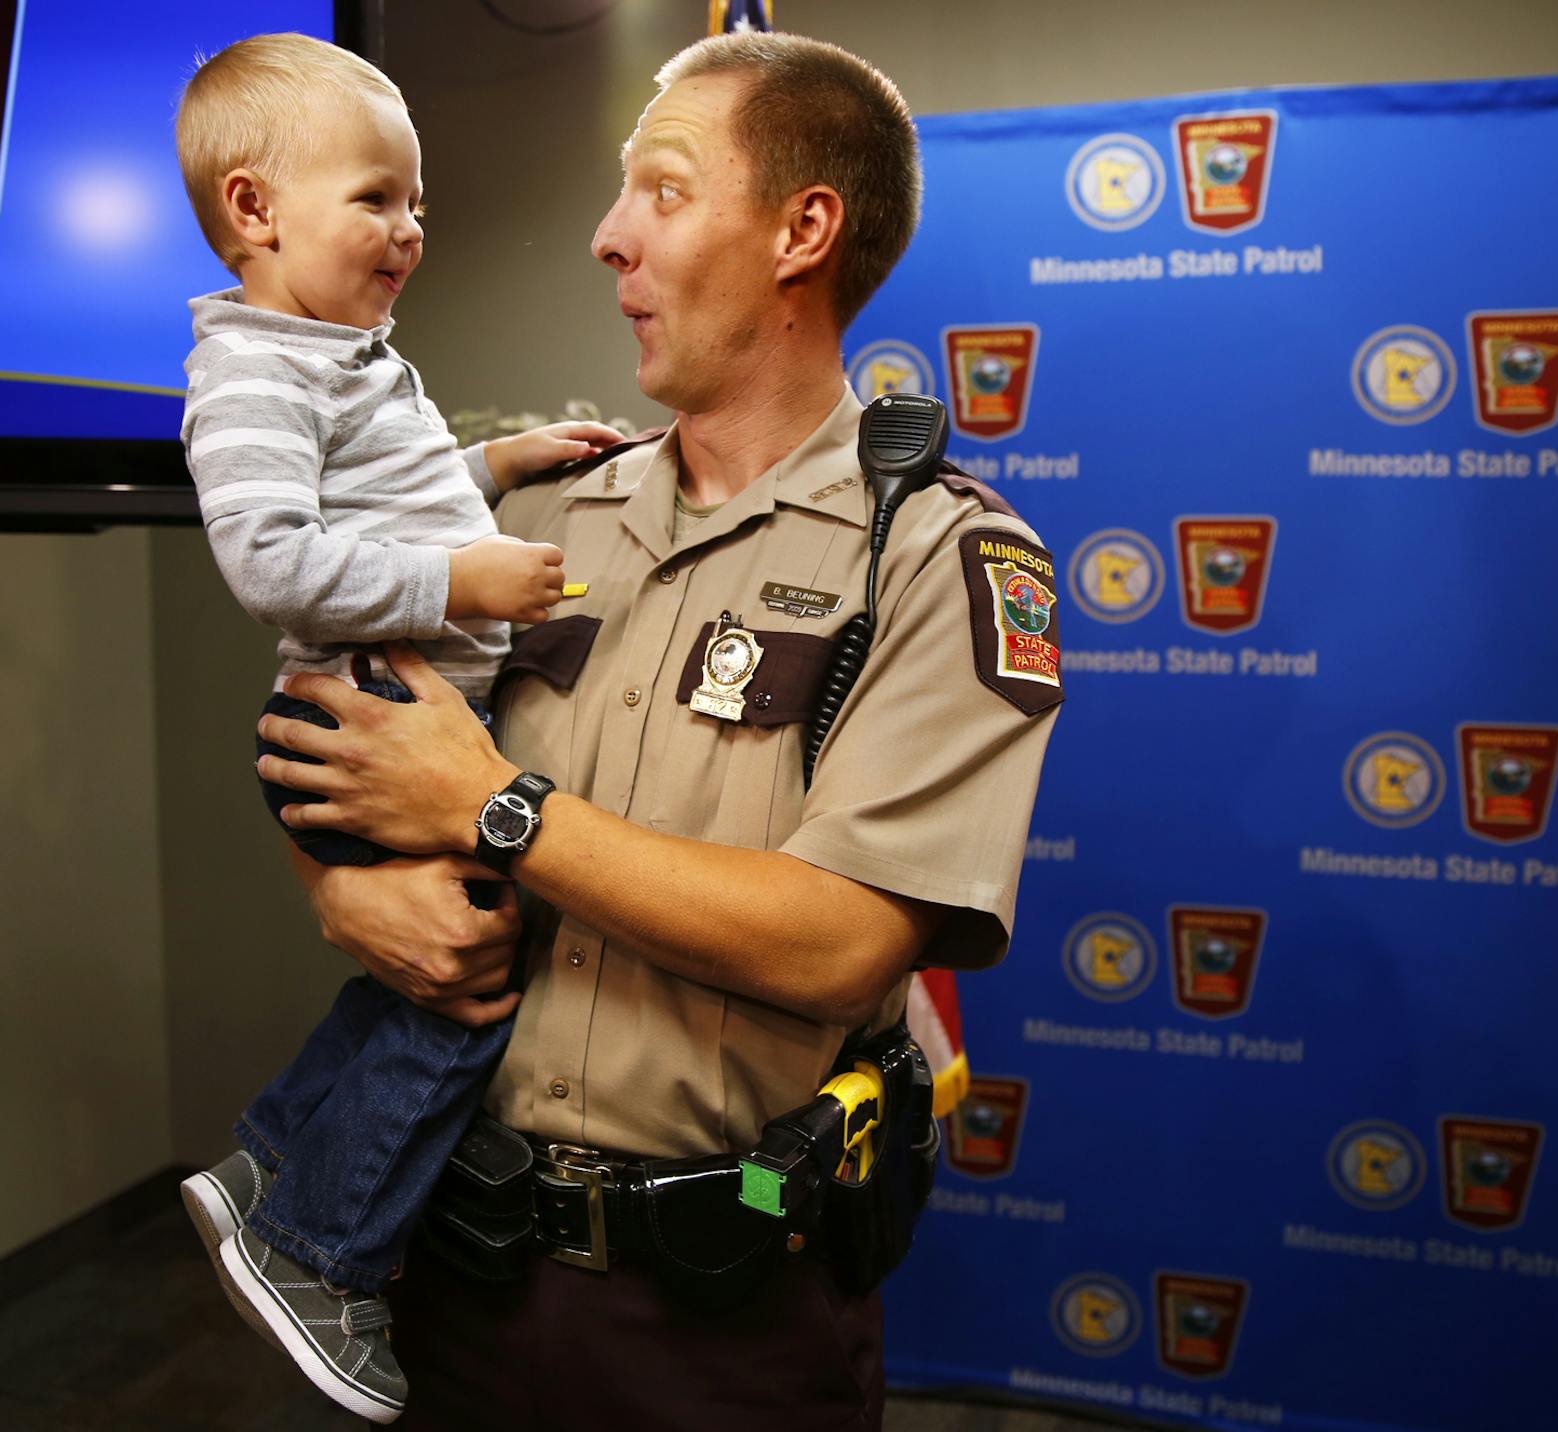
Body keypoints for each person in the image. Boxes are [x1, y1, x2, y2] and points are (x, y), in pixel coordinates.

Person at [258, 30, 1064, 1431]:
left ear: (804, 230)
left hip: (724, 1314)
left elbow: (842, 943)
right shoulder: (536, 513)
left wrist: (498, 808)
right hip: (444, 1272)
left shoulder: (936, 558)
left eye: (664, 192)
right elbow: (330, 744)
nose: (607, 238)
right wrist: (344, 893)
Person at [168, 33, 622, 1423]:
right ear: (256, 211)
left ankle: (268, 1159)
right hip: (361, 712)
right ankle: (321, 1256)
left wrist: (498, 465)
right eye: (379, 198)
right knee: (468, 993)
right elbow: (271, 560)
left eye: (415, 204)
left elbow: (393, 491)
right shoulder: (253, 375)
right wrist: (455, 579)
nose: (411, 231)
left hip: (400, 702)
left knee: (409, 980)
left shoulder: (343, 357)